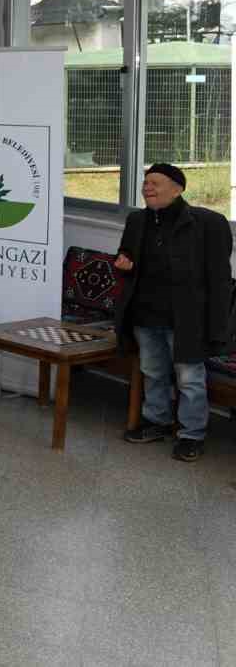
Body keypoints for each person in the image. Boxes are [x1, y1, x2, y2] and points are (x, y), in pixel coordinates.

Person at [115, 162, 232, 462]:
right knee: (153, 372)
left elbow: (220, 280)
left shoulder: (208, 223)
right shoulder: (137, 220)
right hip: (145, 314)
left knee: (190, 379)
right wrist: (124, 262)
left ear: (178, 188)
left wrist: (217, 325)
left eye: (156, 183)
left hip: (187, 319)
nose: (147, 187)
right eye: (145, 183)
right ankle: (158, 422)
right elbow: (127, 257)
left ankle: (192, 435)